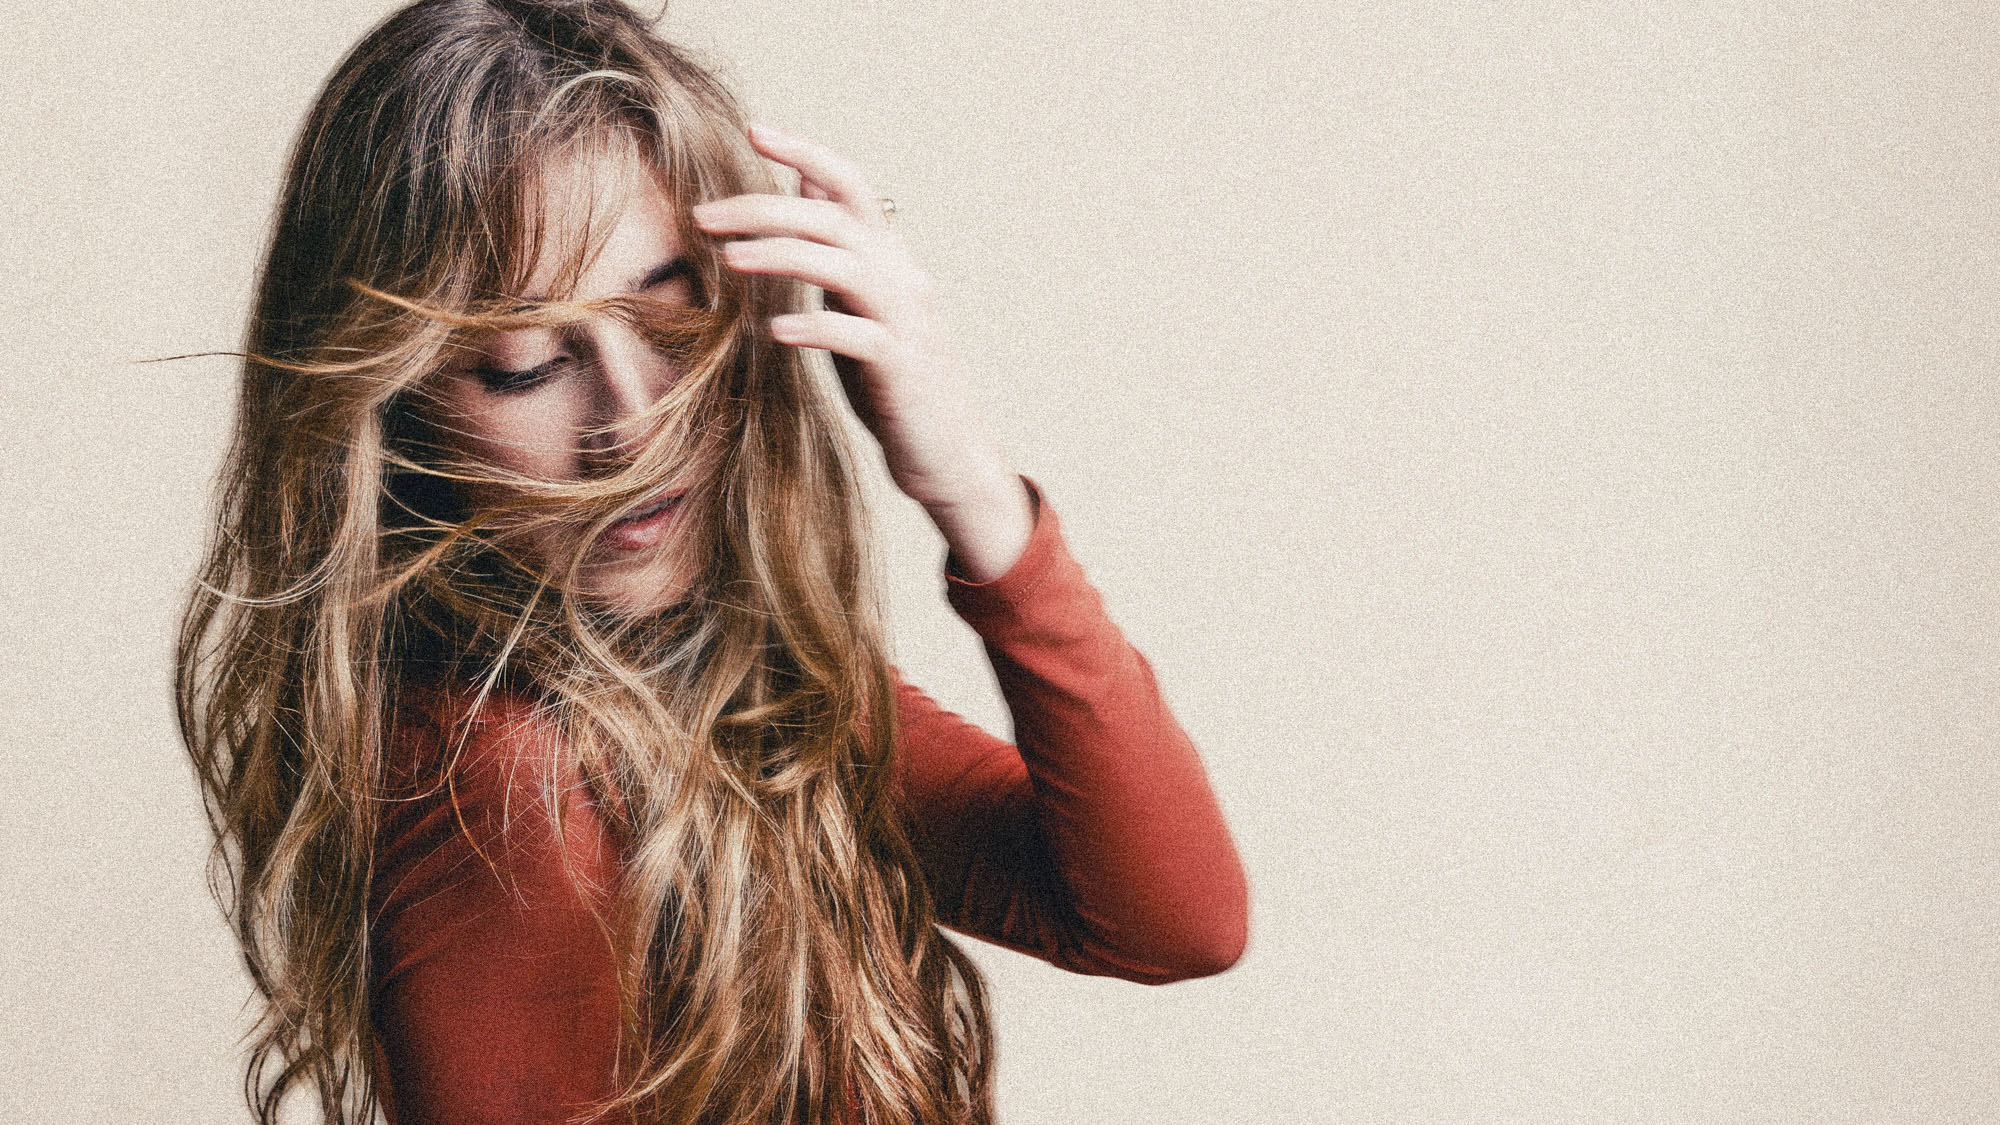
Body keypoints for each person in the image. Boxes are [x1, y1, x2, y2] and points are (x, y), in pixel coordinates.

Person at [174, 2, 1249, 1122]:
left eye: (674, 312)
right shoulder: (504, 780)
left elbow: (1172, 920)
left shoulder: (720, 694)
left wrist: (971, 489)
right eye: (525, 364)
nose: (634, 422)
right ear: (393, 419)